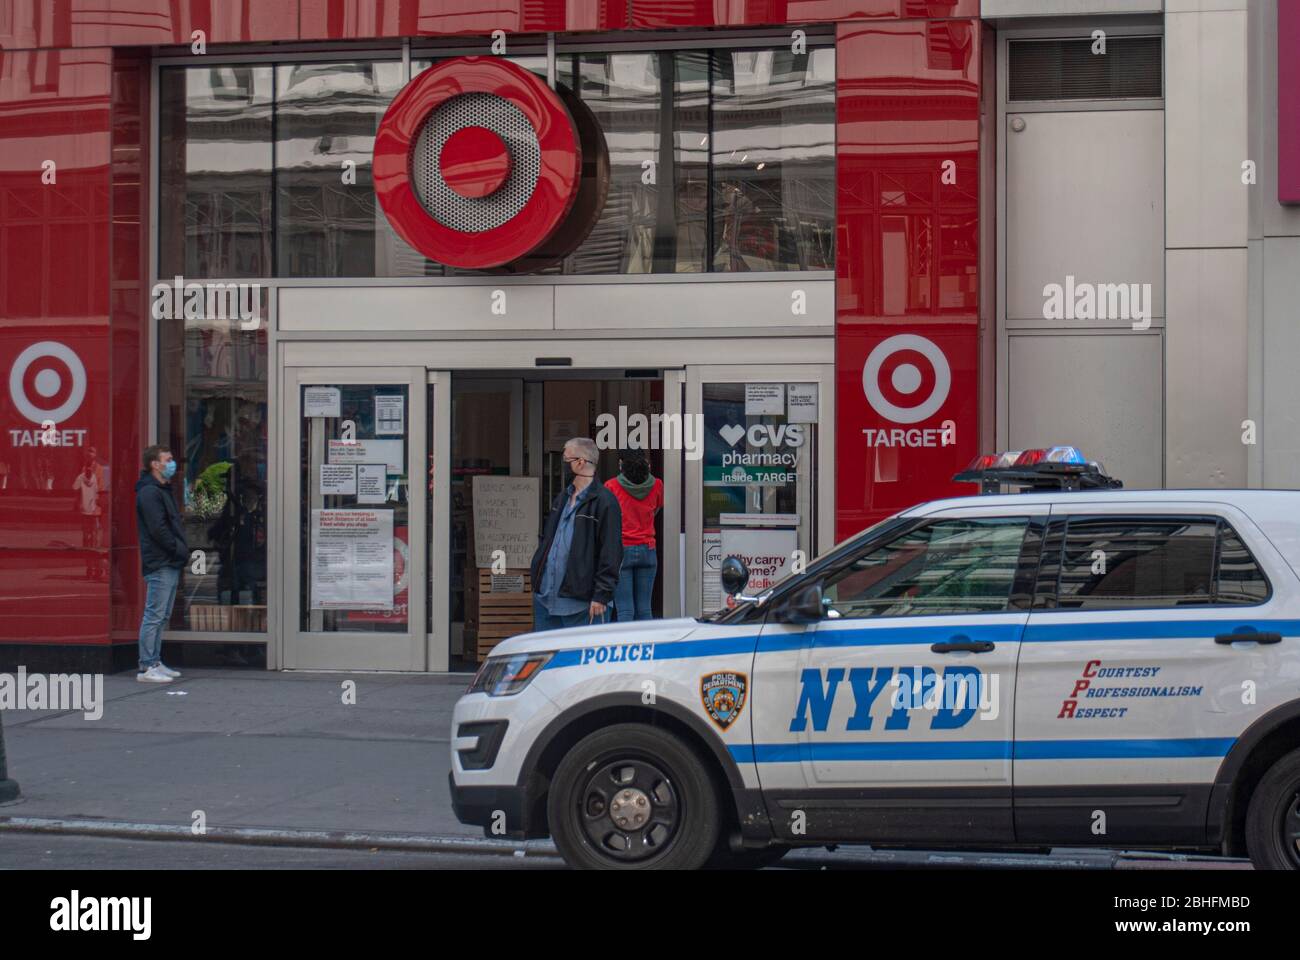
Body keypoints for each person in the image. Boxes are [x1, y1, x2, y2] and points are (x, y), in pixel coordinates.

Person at [529, 437, 623, 630]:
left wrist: (601, 595)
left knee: (580, 659)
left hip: (582, 603)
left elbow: (611, 552)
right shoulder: (562, 497)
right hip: (546, 598)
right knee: (548, 658)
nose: (562, 465)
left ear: (580, 462)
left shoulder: (605, 501)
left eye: (566, 459)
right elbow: (550, 540)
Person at [135, 444, 186, 683]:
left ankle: (155, 661)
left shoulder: (161, 489)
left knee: (162, 614)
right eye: (168, 459)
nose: (172, 463)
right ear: (155, 464)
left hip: (169, 560)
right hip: (161, 561)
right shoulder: (149, 492)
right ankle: (147, 666)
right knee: (154, 614)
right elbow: (158, 529)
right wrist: (177, 549)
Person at [605, 449, 663, 621]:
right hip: (648, 549)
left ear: (621, 464)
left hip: (622, 550)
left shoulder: (611, 486)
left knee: (624, 610)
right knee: (645, 608)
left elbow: (607, 517)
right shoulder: (657, 484)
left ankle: (626, 646)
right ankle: (647, 645)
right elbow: (656, 510)